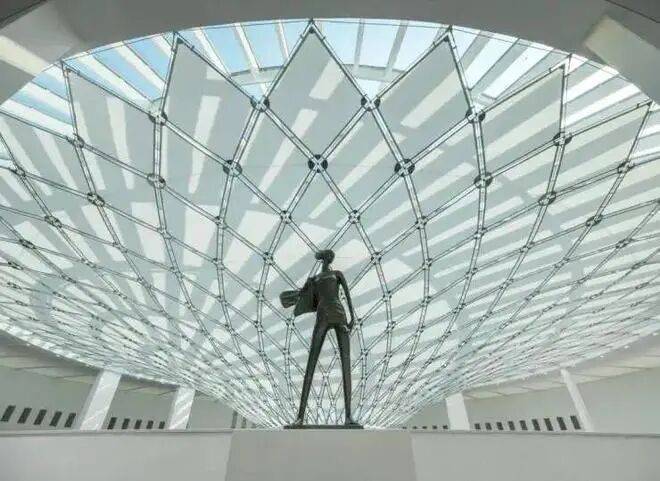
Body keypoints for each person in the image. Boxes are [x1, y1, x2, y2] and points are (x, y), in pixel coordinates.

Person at [280, 249, 359, 426]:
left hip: (339, 314)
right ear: (323, 258)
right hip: (322, 315)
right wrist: (301, 291)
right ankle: (300, 417)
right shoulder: (314, 279)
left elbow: (347, 296)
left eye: (331, 257)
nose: (330, 258)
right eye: (328, 256)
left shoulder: (337, 274)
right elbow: (305, 296)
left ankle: (349, 416)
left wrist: (352, 317)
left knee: (346, 363)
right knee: (312, 361)